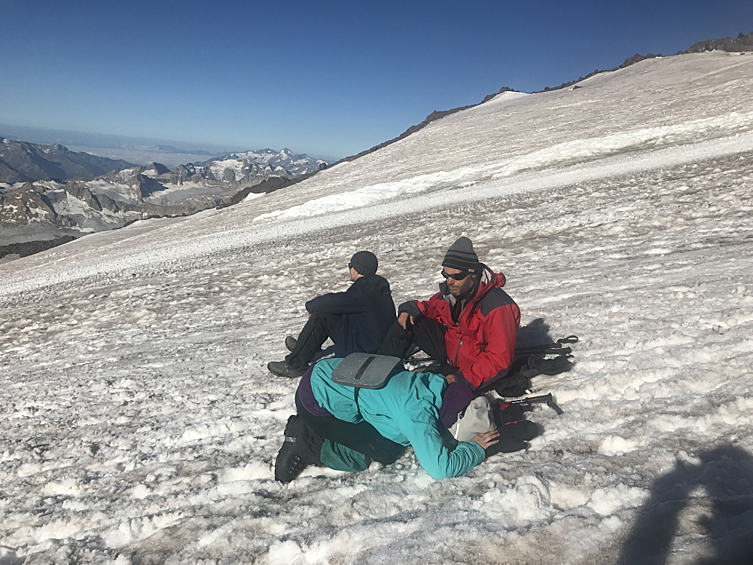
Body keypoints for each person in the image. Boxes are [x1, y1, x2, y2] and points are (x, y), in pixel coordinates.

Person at [274, 356, 538, 483]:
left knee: (388, 430)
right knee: (383, 451)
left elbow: (453, 383)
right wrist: (476, 448)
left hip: (329, 371)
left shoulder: (431, 381)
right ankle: (306, 440)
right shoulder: (417, 414)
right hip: (316, 401)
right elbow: (441, 469)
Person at [379, 237, 520, 412]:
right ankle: (379, 372)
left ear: (473, 274)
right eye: (446, 275)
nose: (449, 281)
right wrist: (412, 308)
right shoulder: (454, 293)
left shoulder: (498, 307)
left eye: (456, 276)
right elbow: (432, 307)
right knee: (409, 319)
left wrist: (462, 378)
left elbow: (499, 358)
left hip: (472, 371)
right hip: (451, 357)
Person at [268, 251, 396, 378]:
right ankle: (304, 347)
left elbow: (336, 301)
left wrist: (312, 305)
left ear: (356, 269)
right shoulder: (376, 287)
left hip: (364, 353)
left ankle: (294, 365)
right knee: (328, 312)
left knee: (321, 316)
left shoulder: (363, 292)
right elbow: (343, 300)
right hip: (373, 342)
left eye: (350, 265)